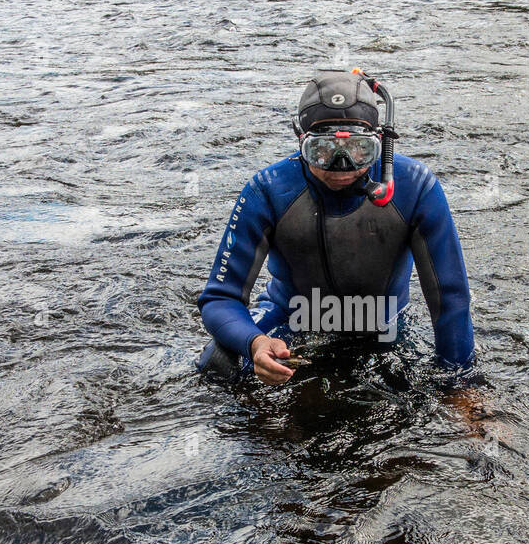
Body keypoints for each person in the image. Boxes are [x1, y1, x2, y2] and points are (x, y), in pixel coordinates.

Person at [197, 69, 475, 385]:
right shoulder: (268, 190)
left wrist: (462, 387)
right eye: (322, 150)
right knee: (217, 361)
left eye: (359, 149)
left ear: (379, 143)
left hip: (382, 323)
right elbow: (220, 298)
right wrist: (256, 343)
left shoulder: (415, 187)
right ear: (300, 141)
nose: (341, 167)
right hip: (295, 319)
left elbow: (450, 298)